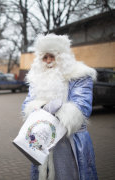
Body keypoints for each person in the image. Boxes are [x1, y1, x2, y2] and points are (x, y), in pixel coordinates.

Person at [22, 34, 98, 180]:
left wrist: (47, 114)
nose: (48, 61)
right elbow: (27, 104)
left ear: (63, 56)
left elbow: (82, 106)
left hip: (69, 141)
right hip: (43, 140)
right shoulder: (37, 77)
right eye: (45, 57)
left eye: (52, 56)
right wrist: (44, 108)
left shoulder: (80, 75)